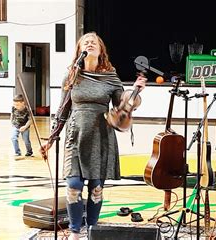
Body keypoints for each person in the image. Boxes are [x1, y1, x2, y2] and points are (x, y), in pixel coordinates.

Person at [39, 32, 146, 240]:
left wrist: (134, 93)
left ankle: (92, 230)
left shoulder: (110, 77)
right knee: (73, 186)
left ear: (101, 49)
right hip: (75, 134)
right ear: (80, 49)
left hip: (101, 135)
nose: (89, 43)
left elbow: (122, 106)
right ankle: (75, 231)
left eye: (93, 42)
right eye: (85, 42)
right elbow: (62, 110)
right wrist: (51, 139)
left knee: (96, 188)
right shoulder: (71, 76)